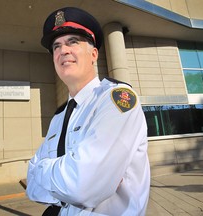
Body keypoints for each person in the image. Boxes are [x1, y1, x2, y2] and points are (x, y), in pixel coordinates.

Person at [26, 7, 150, 216]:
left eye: (73, 41)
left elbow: (83, 186)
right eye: (56, 46)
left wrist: (42, 170)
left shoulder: (116, 100)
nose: (63, 50)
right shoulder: (58, 117)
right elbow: (31, 187)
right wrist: (65, 177)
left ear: (93, 54)